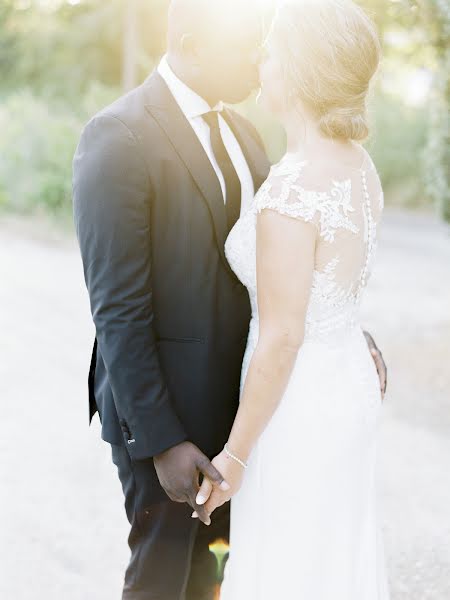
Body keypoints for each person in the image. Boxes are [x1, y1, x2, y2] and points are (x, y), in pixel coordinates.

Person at [72, 0, 387, 598]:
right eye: (245, 43)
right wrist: (162, 440)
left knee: (226, 579)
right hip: (167, 422)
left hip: (252, 410)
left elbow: (295, 274)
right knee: (163, 581)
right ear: (192, 41)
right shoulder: (118, 136)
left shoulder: (249, 136)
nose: (257, 58)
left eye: (265, 46)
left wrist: (342, 329)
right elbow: (117, 309)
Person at [192, 1, 391, 598]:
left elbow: (283, 335)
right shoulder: (359, 168)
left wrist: (234, 456)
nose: (262, 61)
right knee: (332, 556)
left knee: (289, 566)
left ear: (301, 72)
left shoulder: (294, 190)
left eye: (272, 51)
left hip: (296, 407)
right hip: (346, 386)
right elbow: (338, 291)